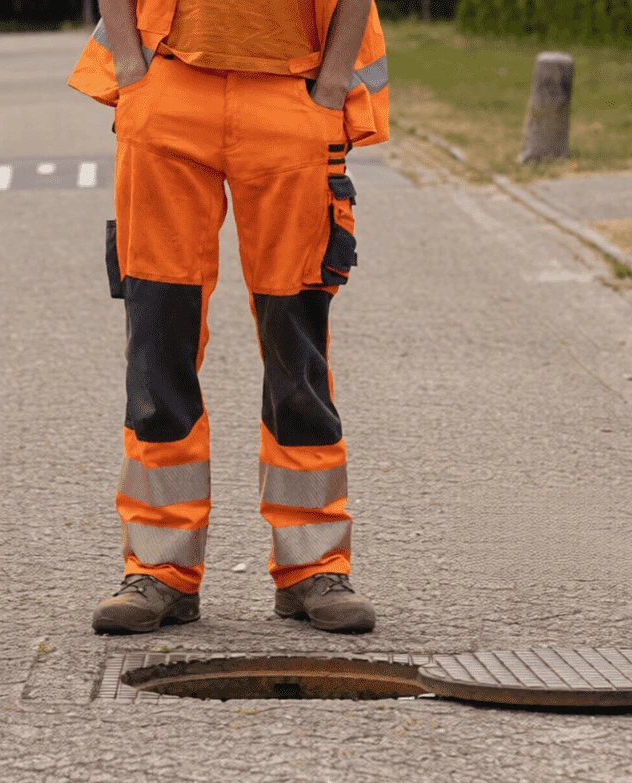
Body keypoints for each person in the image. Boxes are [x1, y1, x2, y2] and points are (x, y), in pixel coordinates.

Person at [68, 0, 390, 634]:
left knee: (295, 344)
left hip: (292, 98)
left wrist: (328, 89)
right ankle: (159, 571)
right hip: (168, 92)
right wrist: (133, 71)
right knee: (160, 340)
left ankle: (313, 569)